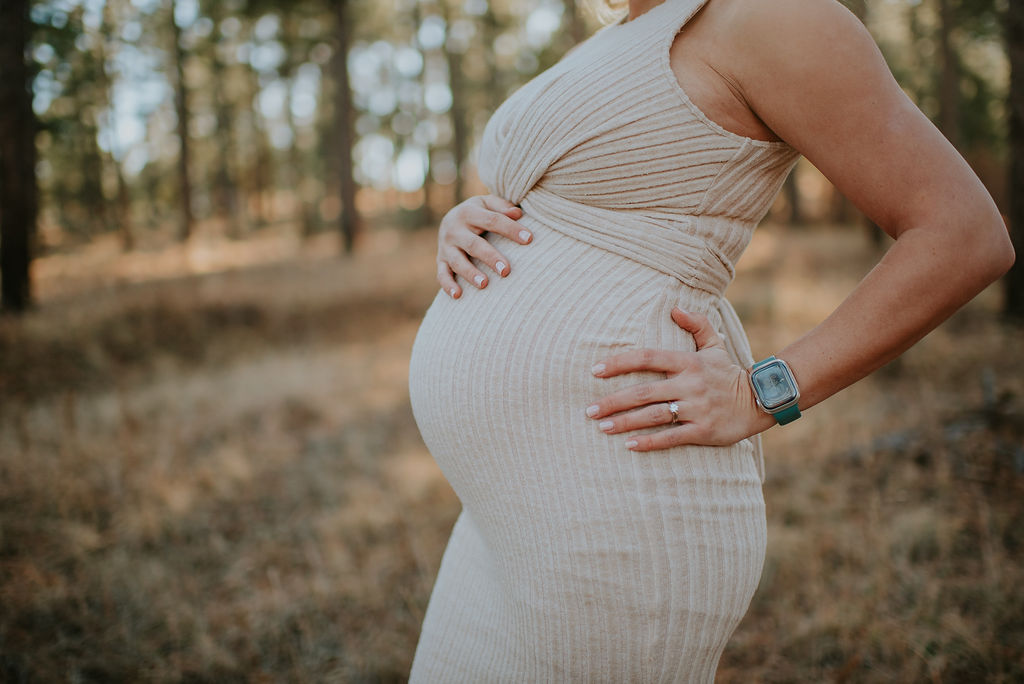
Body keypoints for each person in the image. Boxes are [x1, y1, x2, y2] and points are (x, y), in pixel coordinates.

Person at [406, 0, 1015, 680]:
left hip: (622, 498)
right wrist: (477, 218)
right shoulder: (625, 34)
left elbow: (963, 234)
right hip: (501, 517)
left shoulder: (773, 17)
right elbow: (580, 197)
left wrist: (763, 393)